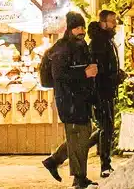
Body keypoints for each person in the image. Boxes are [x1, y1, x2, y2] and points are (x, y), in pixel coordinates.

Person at [40, 12, 98, 188]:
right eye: (77, 28)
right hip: (69, 101)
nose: (81, 31)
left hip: (81, 99)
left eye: (82, 27)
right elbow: (59, 75)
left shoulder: (81, 46)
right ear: (70, 29)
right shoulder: (62, 48)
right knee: (78, 136)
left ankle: (55, 160)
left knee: (83, 135)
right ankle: (79, 178)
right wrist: (84, 73)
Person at [88, 10, 124, 178]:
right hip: (101, 91)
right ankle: (105, 165)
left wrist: (117, 73)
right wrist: (115, 76)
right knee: (106, 127)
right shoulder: (98, 42)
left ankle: (60, 156)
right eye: (111, 21)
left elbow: (108, 66)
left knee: (105, 127)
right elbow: (98, 69)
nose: (114, 24)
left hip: (107, 90)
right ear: (103, 22)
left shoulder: (107, 40)